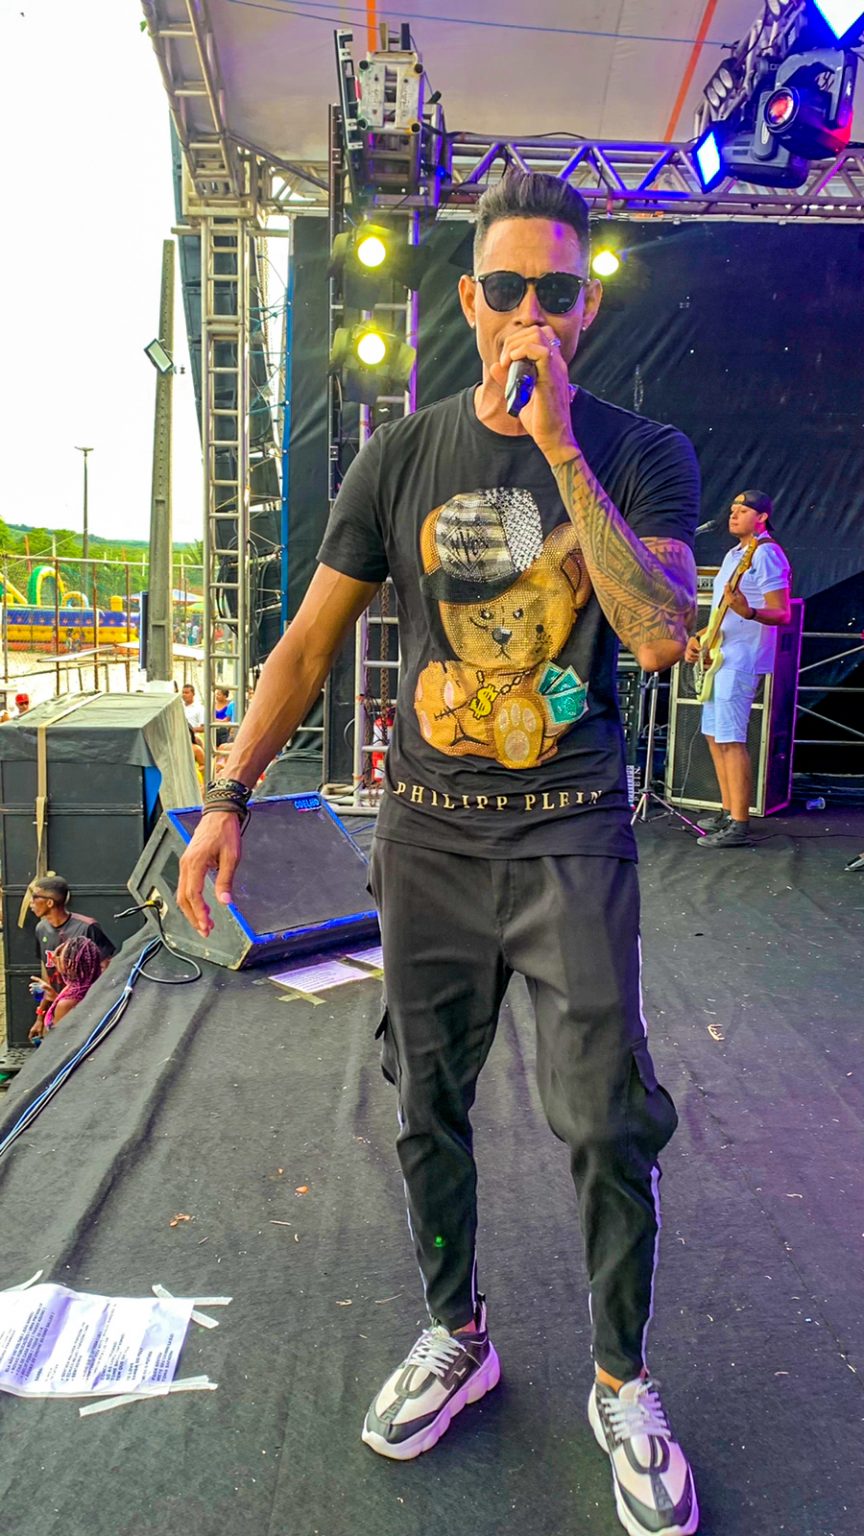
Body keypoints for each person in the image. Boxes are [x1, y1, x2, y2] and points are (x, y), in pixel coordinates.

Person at [177, 171, 701, 1536]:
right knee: (426, 1103)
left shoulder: (640, 450)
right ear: (467, 300)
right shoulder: (400, 459)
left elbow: (657, 634)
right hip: (429, 838)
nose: (533, 312)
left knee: (605, 1118)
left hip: (571, 830)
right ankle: (458, 1335)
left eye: (558, 291)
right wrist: (229, 792)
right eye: (507, 287)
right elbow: (308, 644)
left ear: (586, 310)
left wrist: (565, 449)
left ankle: (621, 1380)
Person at [684, 490, 791, 848]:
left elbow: (782, 612)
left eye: (743, 510)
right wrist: (700, 637)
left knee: (731, 739)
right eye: (732, 509)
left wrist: (750, 612)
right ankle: (728, 810)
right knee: (714, 736)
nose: (733, 515)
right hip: (721, 654)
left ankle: (740, 824)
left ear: (761, 517)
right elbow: (722, 613)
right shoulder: (735, 555)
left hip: (742, 658)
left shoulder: (767, 554)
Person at [29, 875, 115, 1034]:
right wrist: (40, 1017)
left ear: (49, 902)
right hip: (58, 1009)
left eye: (34, 897)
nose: (30, 903)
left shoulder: (87, 927)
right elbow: (48, 977)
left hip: (85, 1016)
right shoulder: (41, 929)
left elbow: (107, 975)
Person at [29, 935, 103, 1039]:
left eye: (61, 956)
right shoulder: (91, 986)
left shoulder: (67, 1002)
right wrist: (55, 998)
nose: (55, 958)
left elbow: (56, 1040)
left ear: (69, 964)